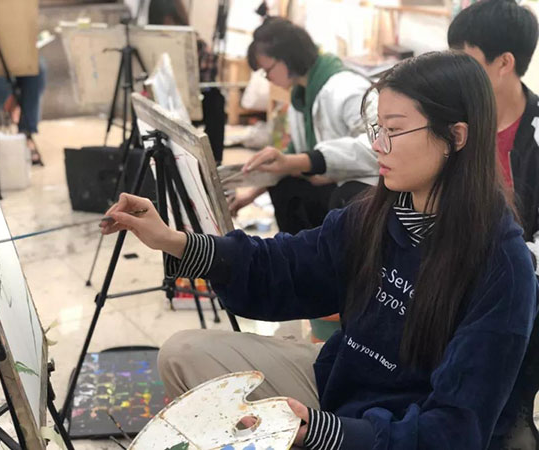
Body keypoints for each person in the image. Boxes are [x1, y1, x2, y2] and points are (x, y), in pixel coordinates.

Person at [101, 51, 538, 449]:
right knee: (182, 355)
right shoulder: (376, 214)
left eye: (394, 130)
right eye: (377, 129)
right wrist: (173, 240)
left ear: (456, 136)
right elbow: (285, 266)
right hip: (338, 384)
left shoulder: (502, 267)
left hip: (395, 434)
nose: (377, 146)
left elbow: (456, 429)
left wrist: (325, 433)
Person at [229, 17, 378, 234]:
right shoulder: (300, 96)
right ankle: (296, 251)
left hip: (357, 188)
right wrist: (250, 194)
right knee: (284, 185)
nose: (267, 78)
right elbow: (293, 155)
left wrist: (306, 163)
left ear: (286, 59)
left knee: (335, 196)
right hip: (329, 182)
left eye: (267, 70)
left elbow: (376, 148)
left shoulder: (347, 89)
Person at [448, 0, 539, 273]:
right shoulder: (453, 116)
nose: (453, 72)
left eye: (464, 60)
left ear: (504, 63)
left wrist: (507, 263)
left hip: (516, 274)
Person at [148, 0, 227, 165]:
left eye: (171, 20)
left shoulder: (193, 42)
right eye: (163, 20)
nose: (168, 25)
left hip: (189, 103)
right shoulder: (149, 42)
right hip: (158, 100)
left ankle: (214, 161)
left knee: (216, 100)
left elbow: (208, 80)